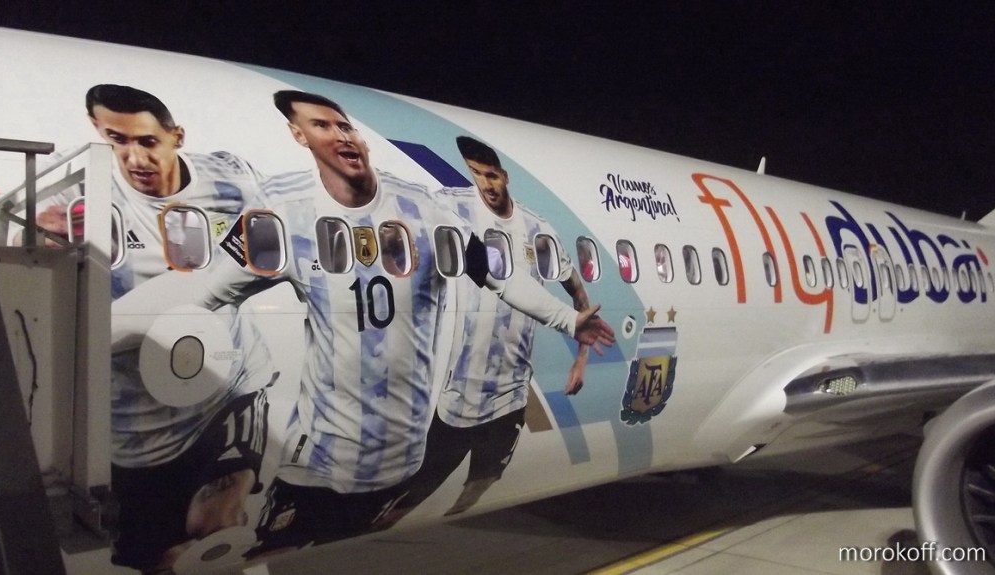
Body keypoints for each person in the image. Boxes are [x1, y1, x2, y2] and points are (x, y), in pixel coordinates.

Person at [113, 90, 614, 555]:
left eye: (344, 125)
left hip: (400, 458)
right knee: (275, 549)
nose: (341, 135)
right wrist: (110, 331)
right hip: (318, 463)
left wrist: (568, 320)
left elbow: (498, 276)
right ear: (298, 135)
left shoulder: (423, 208)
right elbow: (204, 289)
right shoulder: (283, 209)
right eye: (321, 126)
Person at [36, 84, 275, 573]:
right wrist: (40, 233)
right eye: (116, 139)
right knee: (154, 558)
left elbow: (275, 235)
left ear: (176, 136)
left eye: (147, 141)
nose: (133, 157)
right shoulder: (73, 182)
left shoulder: (229, 178)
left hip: (225, 395)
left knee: (216, 530)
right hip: (137, 434)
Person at [383, 136, 595, 523]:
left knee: (482, 482)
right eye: (477, 174)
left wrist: (581, 360)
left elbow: (579, 295)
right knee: (413, 494)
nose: (486, 184)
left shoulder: (536, 229)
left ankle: (457, 517)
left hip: (511, 397)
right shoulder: (455, 206)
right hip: (458, 400)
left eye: (492, 175)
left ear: (505, 175)